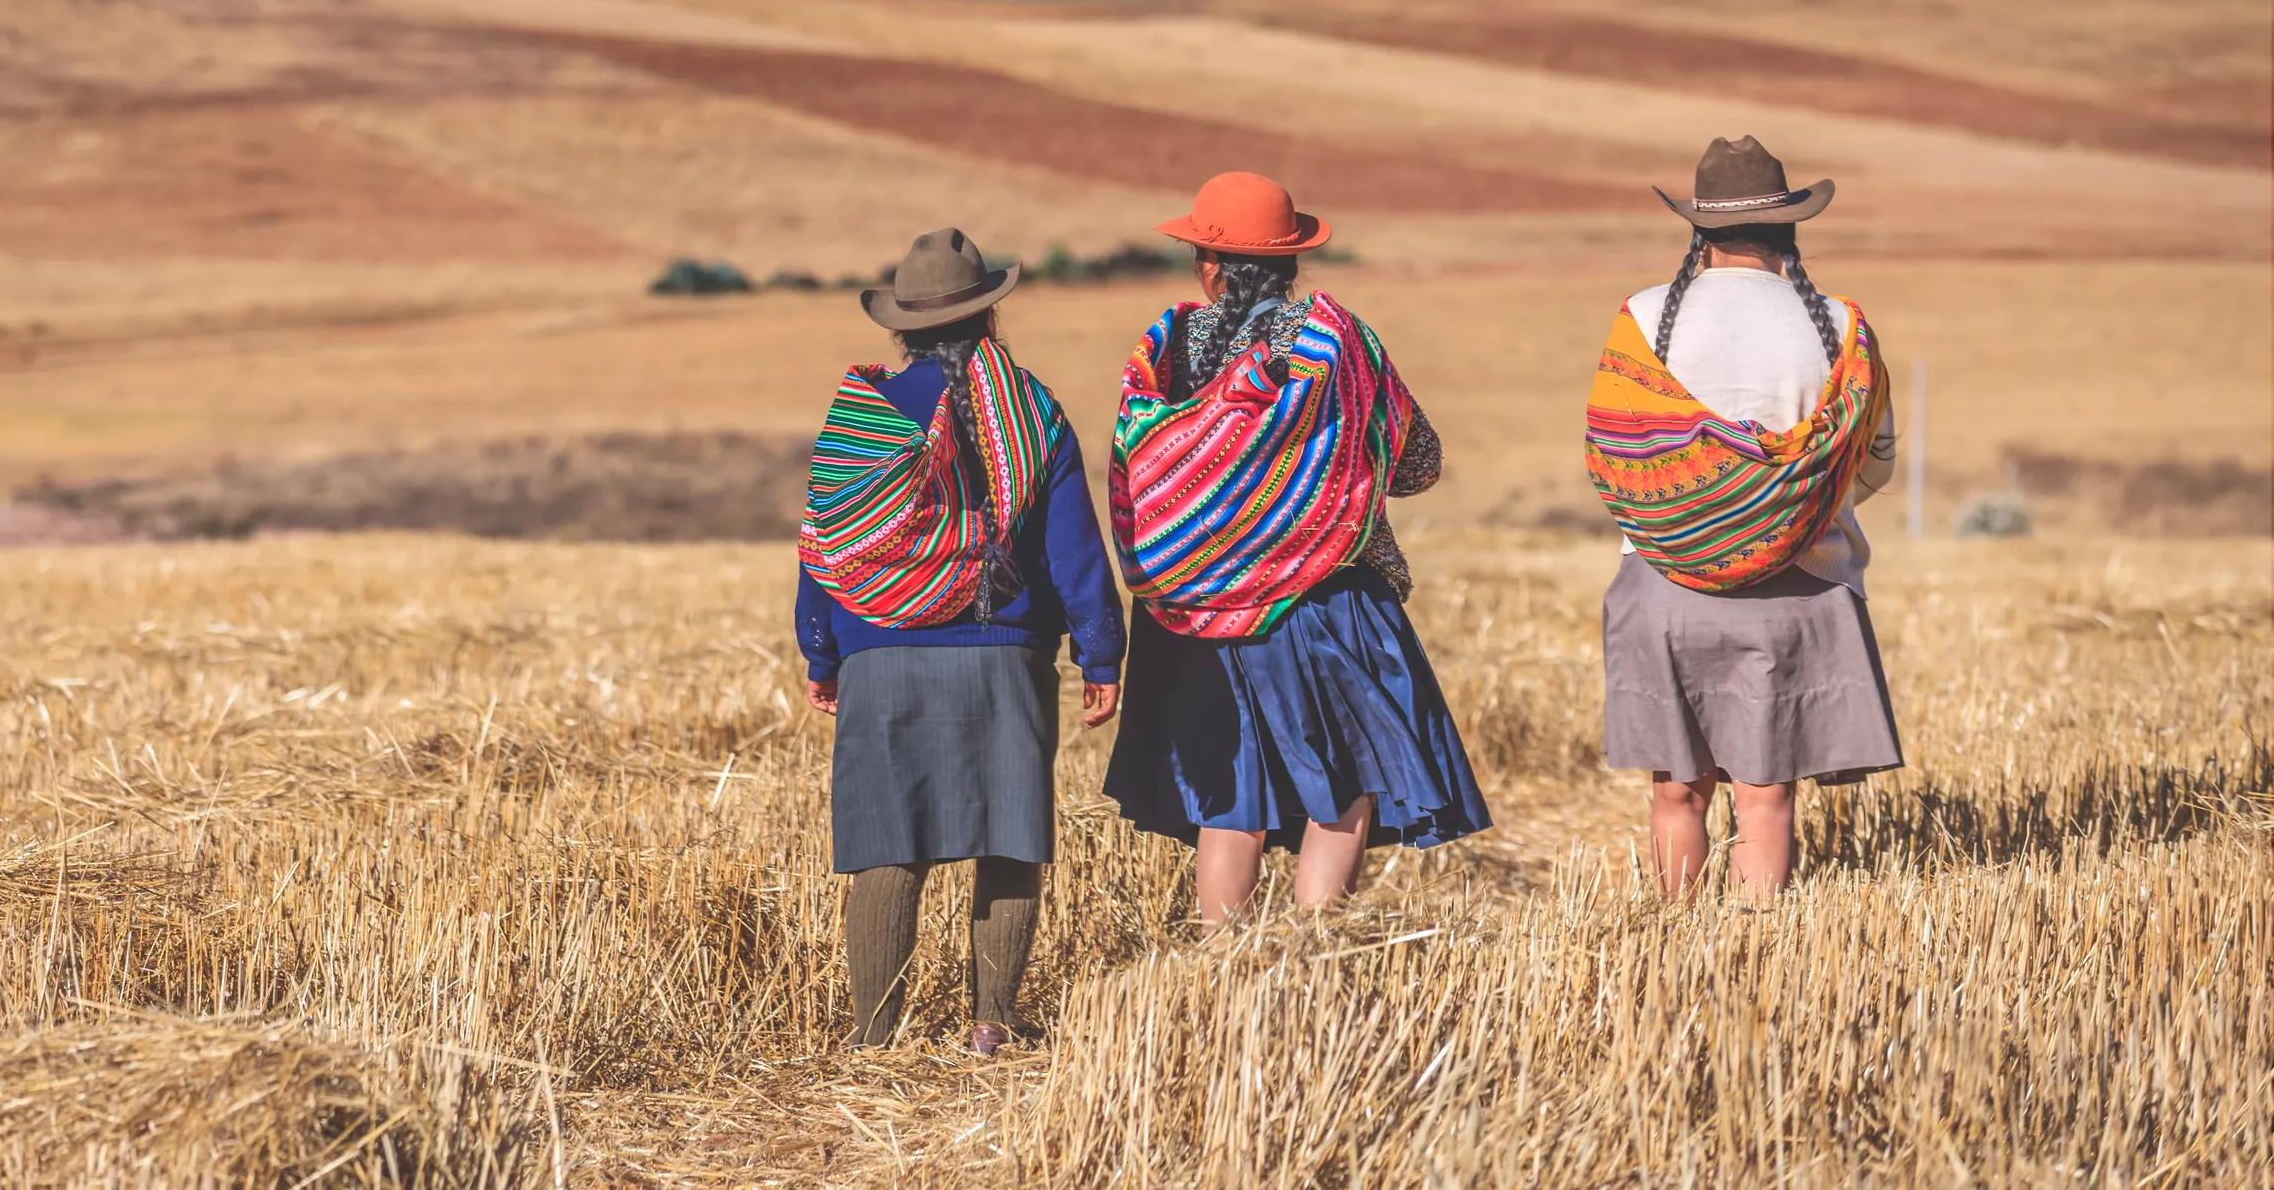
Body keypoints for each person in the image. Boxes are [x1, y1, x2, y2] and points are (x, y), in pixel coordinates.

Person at [1102, 172, 1491, 929]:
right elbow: (1417, 462)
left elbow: (1141, 464)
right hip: (1324, 606)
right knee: (1348, 783)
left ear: (1210, 263)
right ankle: (1308, 949)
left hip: (1189, 615)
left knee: (1231, 797)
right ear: (1290, 261)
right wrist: (1325, 483)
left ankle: (1221, 961)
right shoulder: (1335, 340)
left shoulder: (1166, 349)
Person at [796, 227, 1123, 1055]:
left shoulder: (859, 419)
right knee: (1010, 834)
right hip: (1002, 654)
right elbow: (1073, 550)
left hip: (881, 655)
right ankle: (991, 1024)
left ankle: (877, 1039)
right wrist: (1101, 651)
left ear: (900, 325)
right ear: (988, 318)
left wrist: (823, 652)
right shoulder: (1032, 411)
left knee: (885, 842)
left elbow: (827, 550)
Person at [1584, 136, 1902, 901]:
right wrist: (1787, 507)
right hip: (1803, 583)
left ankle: (1675, 941)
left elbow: (1611, 450)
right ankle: (1753, 951)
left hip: (1662, 581)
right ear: (1791, 227)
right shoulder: (1840, 326)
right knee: (1766, 795)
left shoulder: (1642, 317)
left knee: (1676, 791)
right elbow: (1876, 460)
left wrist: (1699, 509)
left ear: (1701, 229)